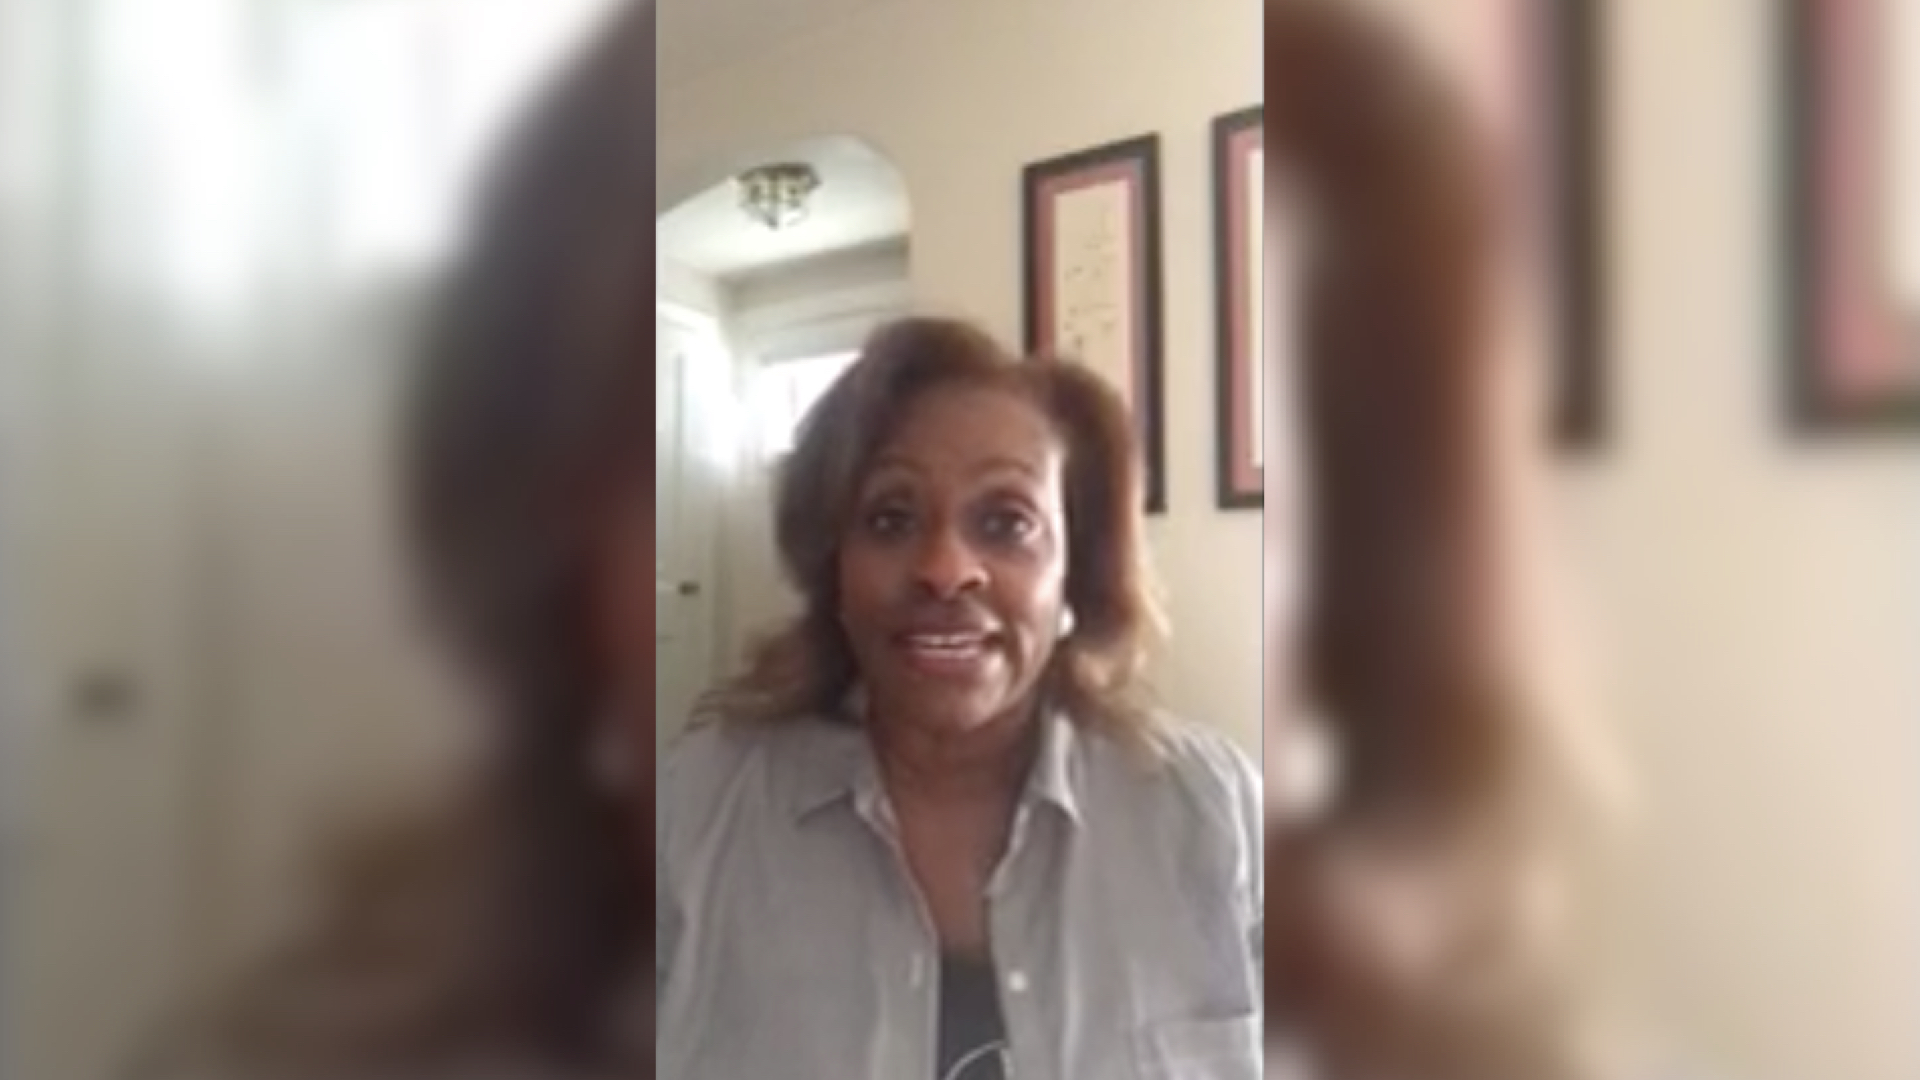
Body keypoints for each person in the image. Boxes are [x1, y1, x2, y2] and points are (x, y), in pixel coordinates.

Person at [653, 317, 1264, 1080]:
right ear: (833, 569)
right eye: (891, 519)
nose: (945, 570)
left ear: (1074, 575)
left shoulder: (1213, 814)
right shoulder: (694, 814)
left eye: (1007, 523)